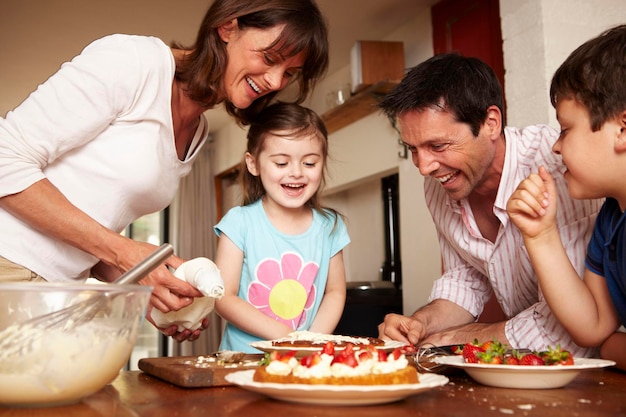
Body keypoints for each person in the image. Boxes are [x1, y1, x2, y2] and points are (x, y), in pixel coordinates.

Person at [0, 0, 329, 342]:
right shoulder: (132, 62)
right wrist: (125, 252)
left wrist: (152, 288)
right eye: (270, 58)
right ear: (228, 27)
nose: (276, 80)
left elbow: (88, 232)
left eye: (290, 72)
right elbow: (4, 156)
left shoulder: (197, 131)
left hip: (59, 294)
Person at [376, 53, 603, 357]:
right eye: (412, 149)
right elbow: (466, 278)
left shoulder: (559, 168)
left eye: (438, 146)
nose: (424, 166)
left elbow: (570, 329)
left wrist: (465, 336)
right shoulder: (439, 184)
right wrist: (422, 323)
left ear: (491, 123)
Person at [507, 25, 626, 369]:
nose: (556, 147)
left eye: (565, 129)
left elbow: (606, 342)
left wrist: (613, 347)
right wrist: (540, 235)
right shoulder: (612, 217)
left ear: (622, 130)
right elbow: (593, 327)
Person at [213, 102, 349, 353]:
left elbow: (335, 292)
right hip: (243, 359)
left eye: (309, 163)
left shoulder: (331, 226)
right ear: (253, 164)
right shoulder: (239, 222)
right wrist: (286, 338)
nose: (296, 173)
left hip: (303, 358)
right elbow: (224, 297)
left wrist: (311, 343)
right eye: (281, 163)